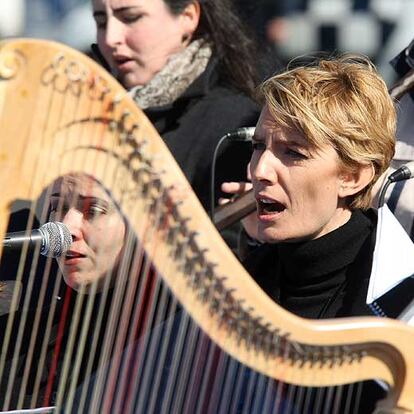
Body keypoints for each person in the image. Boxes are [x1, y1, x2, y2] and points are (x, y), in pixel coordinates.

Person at [91, 0, 260, 221]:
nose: (111, 38)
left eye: (131, 17)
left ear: (187, 17)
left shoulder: (235, 122)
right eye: (101, 22)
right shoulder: (91, 110)